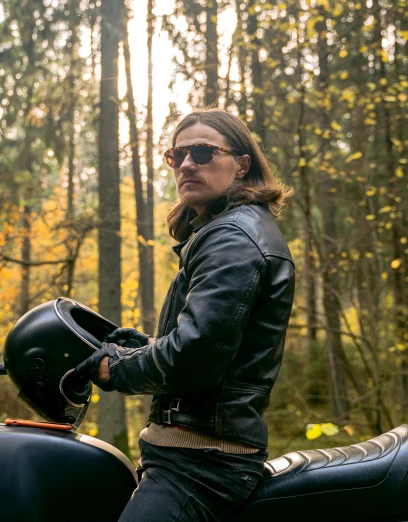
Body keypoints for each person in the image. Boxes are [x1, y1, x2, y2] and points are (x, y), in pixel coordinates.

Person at [74, 108, 295, 522]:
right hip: (191, 454)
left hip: (201, 463)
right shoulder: (228, 229)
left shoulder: (233, 237)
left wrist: (115, 369)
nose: (188, 164)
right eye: (177, 155)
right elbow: (214, 343)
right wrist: (143, 347)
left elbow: (194, 358)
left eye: (204, 152)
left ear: (241, 165)